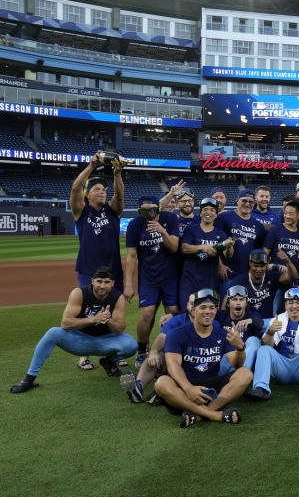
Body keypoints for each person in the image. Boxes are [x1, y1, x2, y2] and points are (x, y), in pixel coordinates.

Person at [11, 266, 137, 393]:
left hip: (105, 341)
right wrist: (93, 319)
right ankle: (29, 379)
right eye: (99, 281)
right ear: (92, 281)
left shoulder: (117, 297)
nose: (102, 286)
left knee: (131, 345)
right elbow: (65, 323)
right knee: (53, 333)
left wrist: (108, 320)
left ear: (112, 283)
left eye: (106, 282)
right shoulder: (79, 293)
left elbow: (120, 330)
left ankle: (109, 362)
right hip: (80, 340)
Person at [154, 289, 252, 426]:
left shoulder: (222, 334)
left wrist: (240, 348)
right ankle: (216, 415)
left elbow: (237, 364)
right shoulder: (176, 334)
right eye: (203, 307)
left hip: (211, 385)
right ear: (193, 310)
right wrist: (188, 388)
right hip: (184, 386)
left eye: (212, 308)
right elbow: (173, 366)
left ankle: (199, 414)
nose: (208, 311)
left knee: (246, 373)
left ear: (216, 311)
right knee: (161, 382)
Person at [70, 151, 125, 372]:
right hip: (89, 269)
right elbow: (75, 189)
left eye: (104, 189)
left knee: (113, 309)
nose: (102, 192)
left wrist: (117, 175)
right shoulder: (81, 212)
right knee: (86, 310)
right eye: (97, 189)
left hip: (113, 270)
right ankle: (83, 355)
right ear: (87, 195)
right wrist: (92, 166)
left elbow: (119, 198)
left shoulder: (112, 212)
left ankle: (111, 353)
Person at [123, 195, 181, 364]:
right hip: (148, 277)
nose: (149, 213)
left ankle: (173, 349)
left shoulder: (169, 219)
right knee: (147, 315)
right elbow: (132, 255)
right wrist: (128, 284)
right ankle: (142, 350)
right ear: (140, 211)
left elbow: (174, 247)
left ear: (159, 209)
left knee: (173, 312)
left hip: (170, 276)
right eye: (145, 210)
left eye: (153, 210)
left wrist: (162, 231)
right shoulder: (135, 225)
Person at [248, 288, 299, 400]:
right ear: (285, 305)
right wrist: (270, 332)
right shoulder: (277, 319)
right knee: (264, 349)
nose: (294, 306)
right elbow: (268, 346)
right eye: (291, 302)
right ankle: (261, 388)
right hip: (282, 367)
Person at [179, 197, 233, 311]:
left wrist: (229, 247)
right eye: (205, 209)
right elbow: (184, 248)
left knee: (206, 314)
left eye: (212, 210)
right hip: (190, 281)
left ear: (216, 215)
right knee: (187, 312)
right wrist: (203, 247)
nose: (208, 212)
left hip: (210, 282)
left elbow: (228, 255)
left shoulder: (220, 234)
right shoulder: (191, 229)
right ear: (200, 213)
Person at [215, 189, 268, 291]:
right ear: (237, 200)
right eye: (244, 200)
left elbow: (258, 251)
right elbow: (213, 242)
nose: (247, 204)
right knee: (225, 305)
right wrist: (220, 265)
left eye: (251, 202)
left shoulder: (258, 226)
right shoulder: (223, 217)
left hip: (247, 276)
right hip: (227, 274)